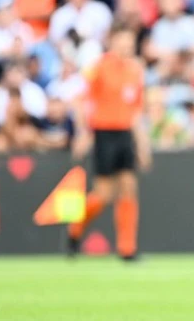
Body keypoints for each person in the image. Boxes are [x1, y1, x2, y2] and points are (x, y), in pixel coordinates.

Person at [67, 25, 152, 261]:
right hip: (104, 132)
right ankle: (76, 227)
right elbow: (82, 101)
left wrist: (142, 145)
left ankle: (127, 248)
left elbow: (136, 112)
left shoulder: (135, 70)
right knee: (103, 194)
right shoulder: (99, 67)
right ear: (112, 43)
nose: (126, 47)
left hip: (124, 134)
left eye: (130, 43)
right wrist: (84, 133)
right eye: (122, 42)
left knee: (128, 187)